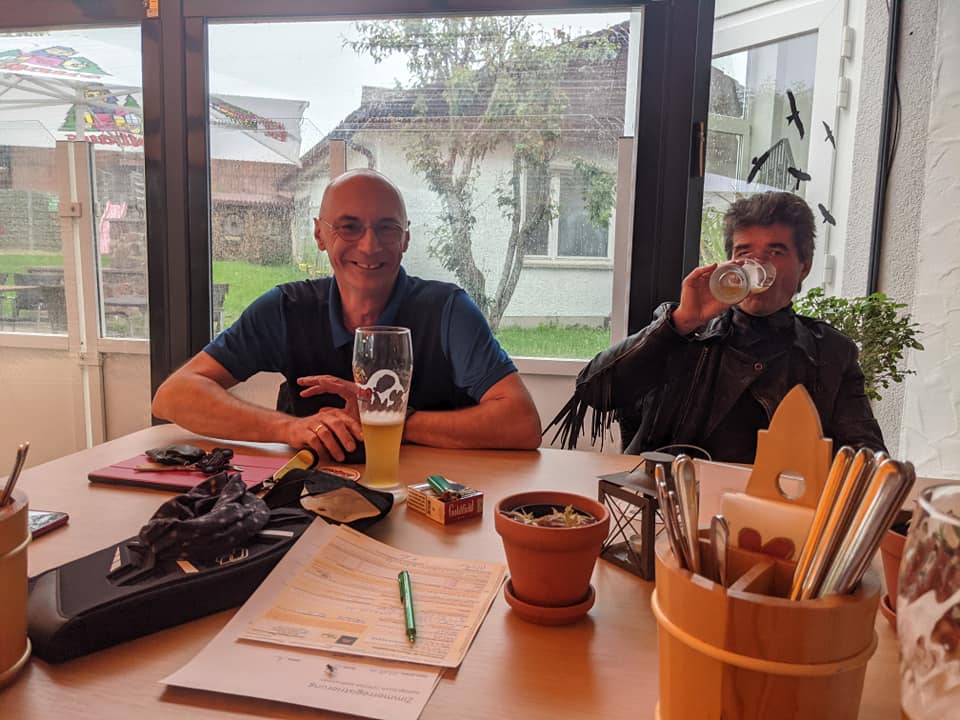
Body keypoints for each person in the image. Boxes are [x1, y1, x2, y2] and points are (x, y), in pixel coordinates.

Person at [152, 169, 542, 460]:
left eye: (387, 228)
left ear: (405, 238)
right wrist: (290, 428)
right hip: (313, 501)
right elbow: (173, 396)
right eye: (348, 227)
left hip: (431, 502)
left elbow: (521, 423)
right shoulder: (286, 309)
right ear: (320, 235)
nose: (370, 246)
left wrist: (386, 419)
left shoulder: (447, 311)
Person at [547, 191, 884, 464]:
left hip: (772, 512)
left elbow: (865, 455)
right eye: (744, 252)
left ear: (804, 268)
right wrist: (680, 323)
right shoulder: (685, 330)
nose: (757, 263)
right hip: (671, 502)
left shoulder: (830, 353)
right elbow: (594, 391)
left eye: (775, 252)